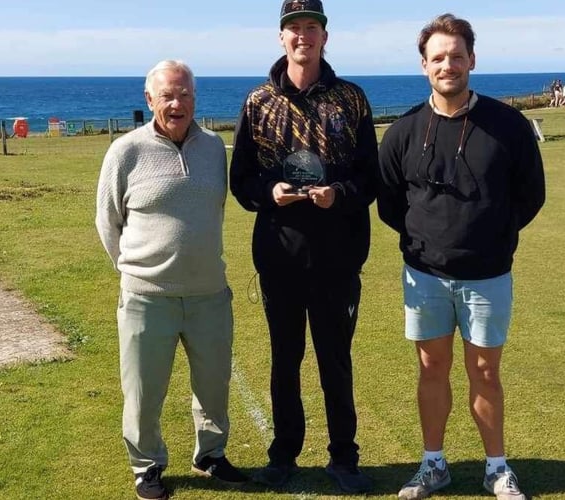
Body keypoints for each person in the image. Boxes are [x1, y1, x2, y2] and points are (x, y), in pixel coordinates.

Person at [376, 13, 545, 500]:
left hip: (488, 276)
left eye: (456, 56)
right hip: (424, 276)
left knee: (486, 372)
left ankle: (497, 468)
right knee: (431, 369)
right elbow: (389, 202)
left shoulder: (508, 126)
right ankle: (434, 464)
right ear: (423, 66)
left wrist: (492, 237)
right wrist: (425, 242)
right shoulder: (404, 130)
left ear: (471, 59)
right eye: (437, 58)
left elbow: (530, 195)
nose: (447, 65)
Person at [230, 0, 379, 494]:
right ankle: (283, 455)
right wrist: (267, 193)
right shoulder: (257, 103)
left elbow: (369, 178)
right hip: (280, 258)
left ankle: (344, 458)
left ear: (324, 36)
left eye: (311, 27)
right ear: (280, 37)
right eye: (293, 28)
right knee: (284, 359)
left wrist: (339, 196)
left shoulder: (351, 99)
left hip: (338, 258)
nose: (302, 36)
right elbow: (242, 180)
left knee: (336, 361)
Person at [95, 59, 248, 500]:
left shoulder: (214, 148)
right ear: (149, 100)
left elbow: (215, 209)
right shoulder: (126, 151)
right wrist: (137, 271)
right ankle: (147, 466)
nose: (176, 103)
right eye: (167, 95)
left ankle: (210, 455)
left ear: (195, 99)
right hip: (147, 298)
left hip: (209, 295)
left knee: (214, 385)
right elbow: (108, 222)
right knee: (143, 392)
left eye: (184, 94)